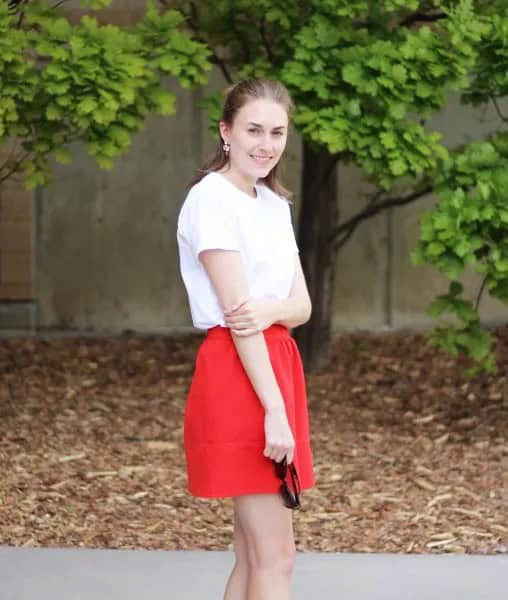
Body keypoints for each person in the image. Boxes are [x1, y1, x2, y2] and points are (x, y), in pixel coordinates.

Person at [176, 78, 316, 600]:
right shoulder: (211, 200)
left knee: (254, 554)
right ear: (226, 131)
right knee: (276, 557)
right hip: (242, 374)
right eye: (253, 129)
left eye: (277, 132)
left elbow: (301, 307)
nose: (266, 143)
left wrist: (271, 308)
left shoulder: (273, 203)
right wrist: (273, 410)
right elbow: (240, 323)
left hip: (276, 361)